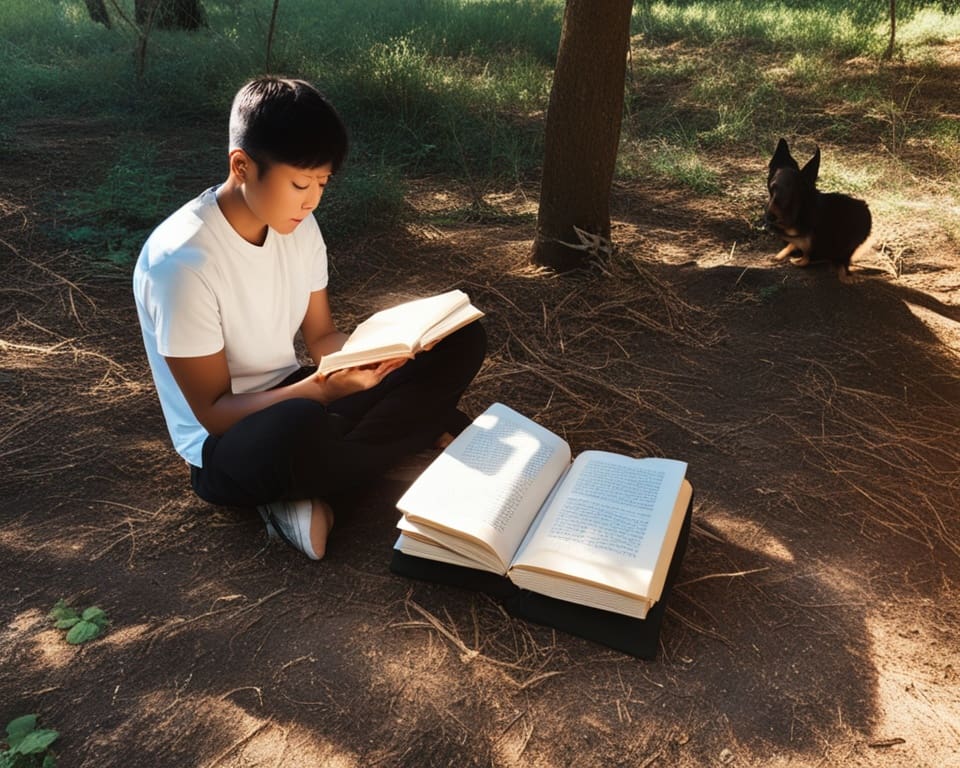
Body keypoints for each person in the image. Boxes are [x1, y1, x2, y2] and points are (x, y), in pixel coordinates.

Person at [133, 76, 486, 560]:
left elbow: (321, 336)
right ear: (242, 165)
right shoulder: (181, 263)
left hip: (304, 393)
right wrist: (324, 389)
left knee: (460, 341)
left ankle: (318, 485)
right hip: (233, 443)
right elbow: (214, 414)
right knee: (298, 427)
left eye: (322, 183)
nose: (312, 200)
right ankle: (404, 439)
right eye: (300, 183)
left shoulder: (298, 227)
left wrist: (384, 359)